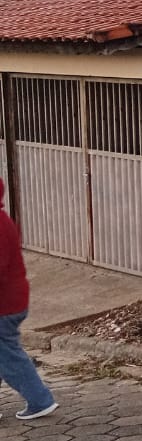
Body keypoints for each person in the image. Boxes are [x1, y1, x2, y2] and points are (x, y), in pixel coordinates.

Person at [0, 179, 58, 420]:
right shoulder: (3, 220)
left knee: (8, 355)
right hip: (11, 300)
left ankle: (39, 399)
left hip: (5, 304)